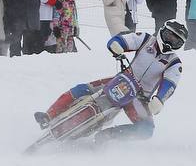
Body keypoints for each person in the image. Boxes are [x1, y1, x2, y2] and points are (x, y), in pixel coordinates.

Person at [34, 20, 187, 142]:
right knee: (82, 89)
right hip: (122, 81)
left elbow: (170, 84)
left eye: (176, 41)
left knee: (146, 130)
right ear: (162, 31)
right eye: (169, 36)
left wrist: (159, 100)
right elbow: (122, 40)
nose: (170, 42)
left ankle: (108, 135)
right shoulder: (145, 39)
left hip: (139, 98)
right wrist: (117, 46)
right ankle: (49, 116)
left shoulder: (174, 62)